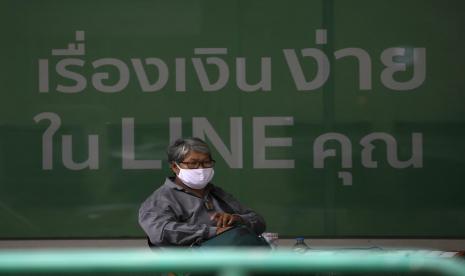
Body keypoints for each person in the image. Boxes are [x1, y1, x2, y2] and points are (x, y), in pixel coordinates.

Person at [138, 137, 266, 247]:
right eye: (193, 164)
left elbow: (258, 221)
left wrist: (237, 219)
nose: (201, 169)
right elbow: (160, 232)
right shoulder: (161, 199)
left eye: (206, 163)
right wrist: (213, 232)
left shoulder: (217, 194)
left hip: (231, 261)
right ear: (174, 167)